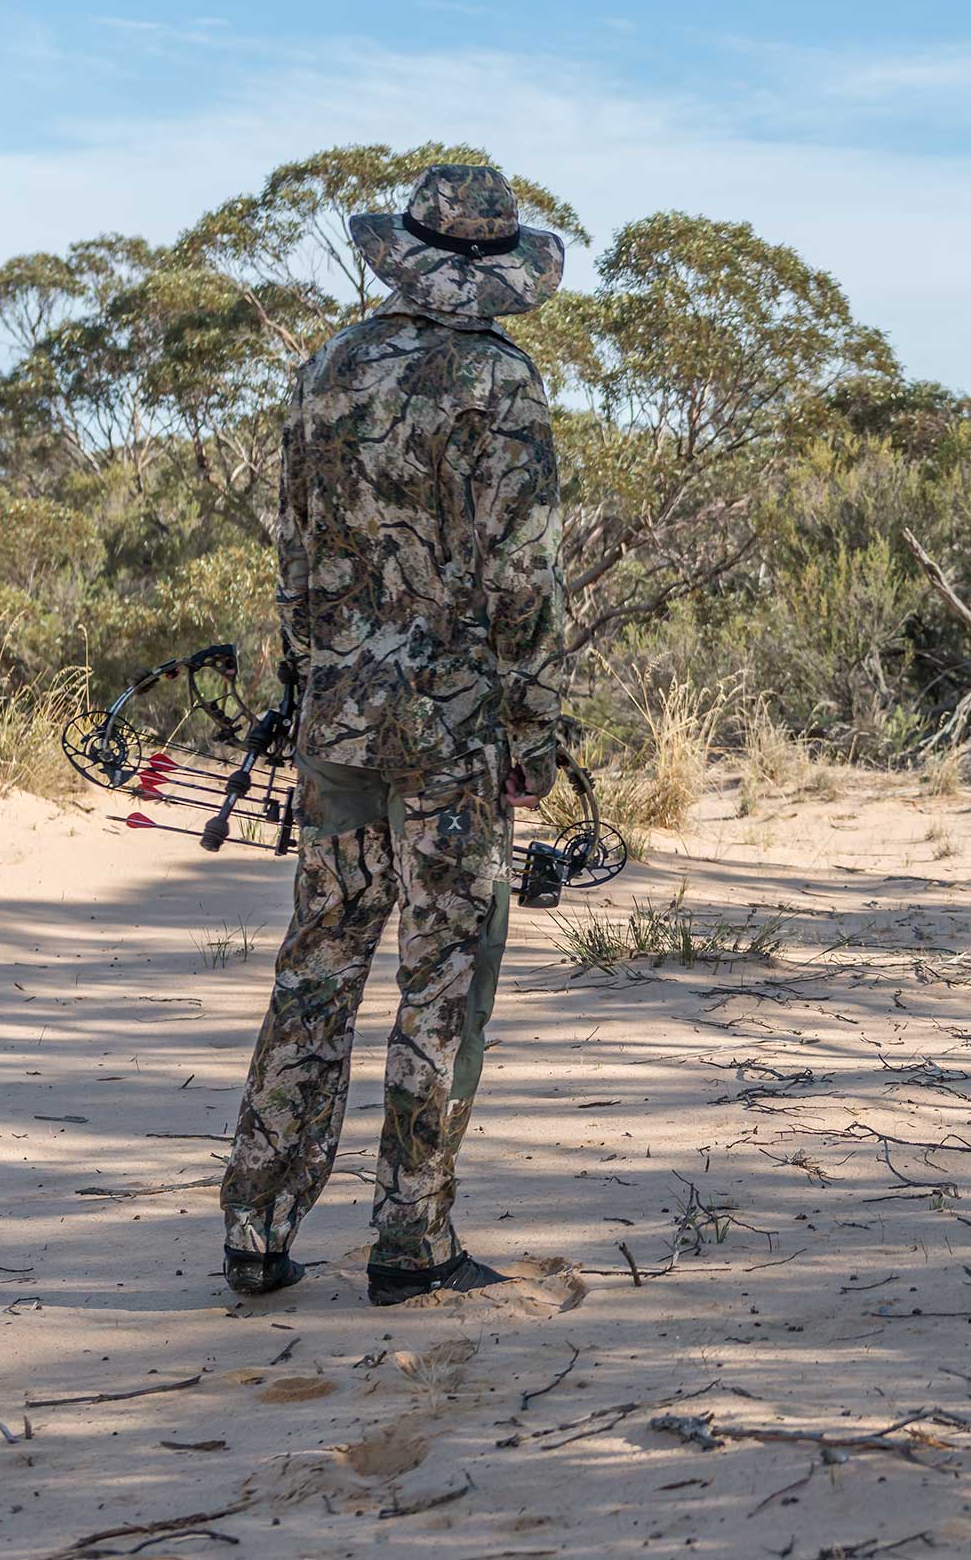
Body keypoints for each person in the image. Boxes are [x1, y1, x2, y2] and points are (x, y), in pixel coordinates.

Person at [218, 164, 570, 1305]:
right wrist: (537, 721)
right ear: (496, 271)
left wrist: (307, 684)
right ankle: (410, 1244)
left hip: (338, 718)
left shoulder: (327, 366)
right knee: (440, 972)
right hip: (454, 729)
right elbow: (523, 574)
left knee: (319, 959)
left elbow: (293, 557)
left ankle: (257, 1230)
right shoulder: (500, 383)